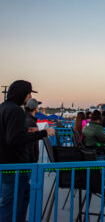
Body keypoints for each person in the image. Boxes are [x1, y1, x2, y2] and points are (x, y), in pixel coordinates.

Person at [0, 80, 55, 222]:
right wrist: (43, 133)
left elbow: (10, 134)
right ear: (22, 93)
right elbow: (14, 138)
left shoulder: (3, 108)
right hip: (16, 165)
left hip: (6, 164)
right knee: (10, 205)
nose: (29, 97)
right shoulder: (16, 110)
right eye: (28, 93)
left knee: (22, 196)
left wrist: (27, 131)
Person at [24, 98, 42, 163]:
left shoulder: (25, 119)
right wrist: (34, 161)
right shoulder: (31, 122)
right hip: (30, 163)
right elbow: (31, 143)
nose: (38, 108)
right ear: (35, 108)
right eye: (37, 106)